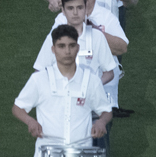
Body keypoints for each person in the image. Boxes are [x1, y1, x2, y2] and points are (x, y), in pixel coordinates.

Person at [12, 24, 113, 154]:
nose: (67, 51)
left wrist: (101, 122)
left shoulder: (92, 80)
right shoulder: (39, 79)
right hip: (47, 151)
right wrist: (30, 121)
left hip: (81, 151)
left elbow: (106, 111)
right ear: (53, 49)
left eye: (71, 46)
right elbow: (18, 107)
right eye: (61, 46)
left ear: (78, 48)